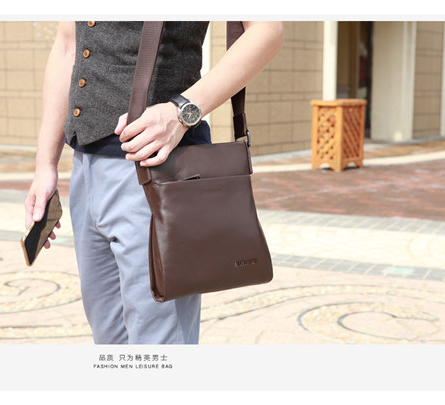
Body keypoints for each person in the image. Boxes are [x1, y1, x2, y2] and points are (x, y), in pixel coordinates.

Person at [24, 21, 284, 344]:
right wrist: (45, 165)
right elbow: (68, 46)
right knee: (109, 343)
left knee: (159, 348)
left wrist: (181, 111)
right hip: (84, 169)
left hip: (159, 173)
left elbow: (267, 30)